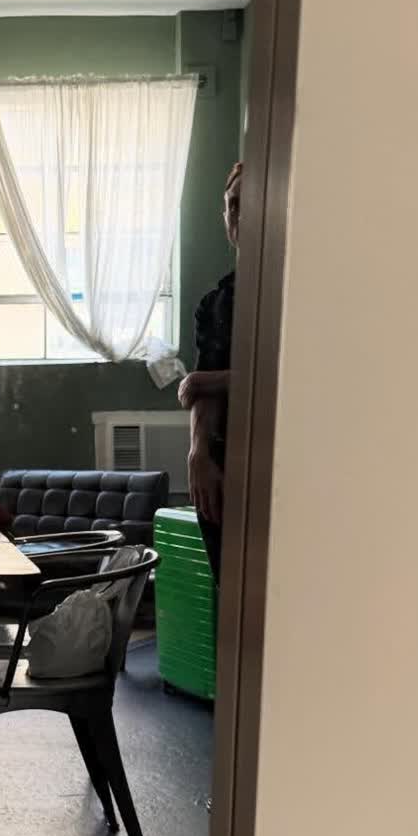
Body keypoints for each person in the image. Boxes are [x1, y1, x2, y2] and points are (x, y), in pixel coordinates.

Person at [180, 161, 242, 583]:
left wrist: (213, 380)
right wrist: (198, 453)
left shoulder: (302, 293)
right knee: (229, 583)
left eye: (248, 203)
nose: (239, 214)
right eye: (231, 204)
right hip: (220, 463)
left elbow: (305, 377)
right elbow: (202, 393)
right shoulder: (216, 302)